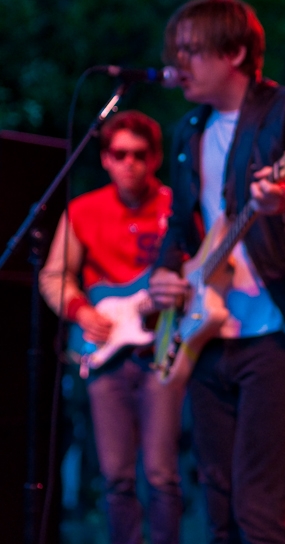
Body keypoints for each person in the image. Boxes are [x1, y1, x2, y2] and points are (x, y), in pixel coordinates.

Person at [148, 0, 285, 542]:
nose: (178, 67)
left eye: (193, 52)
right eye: (176, 52)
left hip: (284, 327)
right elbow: (180, 224)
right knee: (218, 509)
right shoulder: (188, 131)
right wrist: (166, 273)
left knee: (260, 509)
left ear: (237, 52)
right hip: (209, 333)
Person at [39, 110, 182, 544]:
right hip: (104, 353)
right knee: (115, 474)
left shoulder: (178, 208)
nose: (129, 163)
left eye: (139, 154)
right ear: (105, 158)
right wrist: (81, 310)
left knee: (160, 473)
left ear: (155, 157)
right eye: (119, 154)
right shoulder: (83, 211)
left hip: (163, 351)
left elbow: (202, 270)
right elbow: (54, 275)